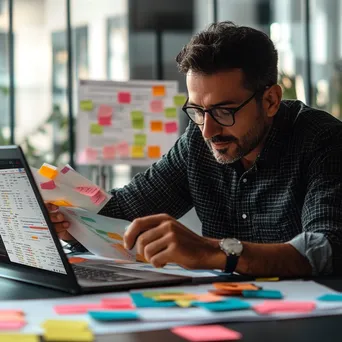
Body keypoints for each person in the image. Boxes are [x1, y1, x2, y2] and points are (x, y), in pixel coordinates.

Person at [48, 21, 342, 277]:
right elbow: (123, 213)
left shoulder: (322, 140)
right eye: (198, 111)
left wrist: (211, 251)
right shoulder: (197, 143)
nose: (208, 130)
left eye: (224, 111)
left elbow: (327, 247)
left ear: (270, 101)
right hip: (229, 313)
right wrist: (66, 219)